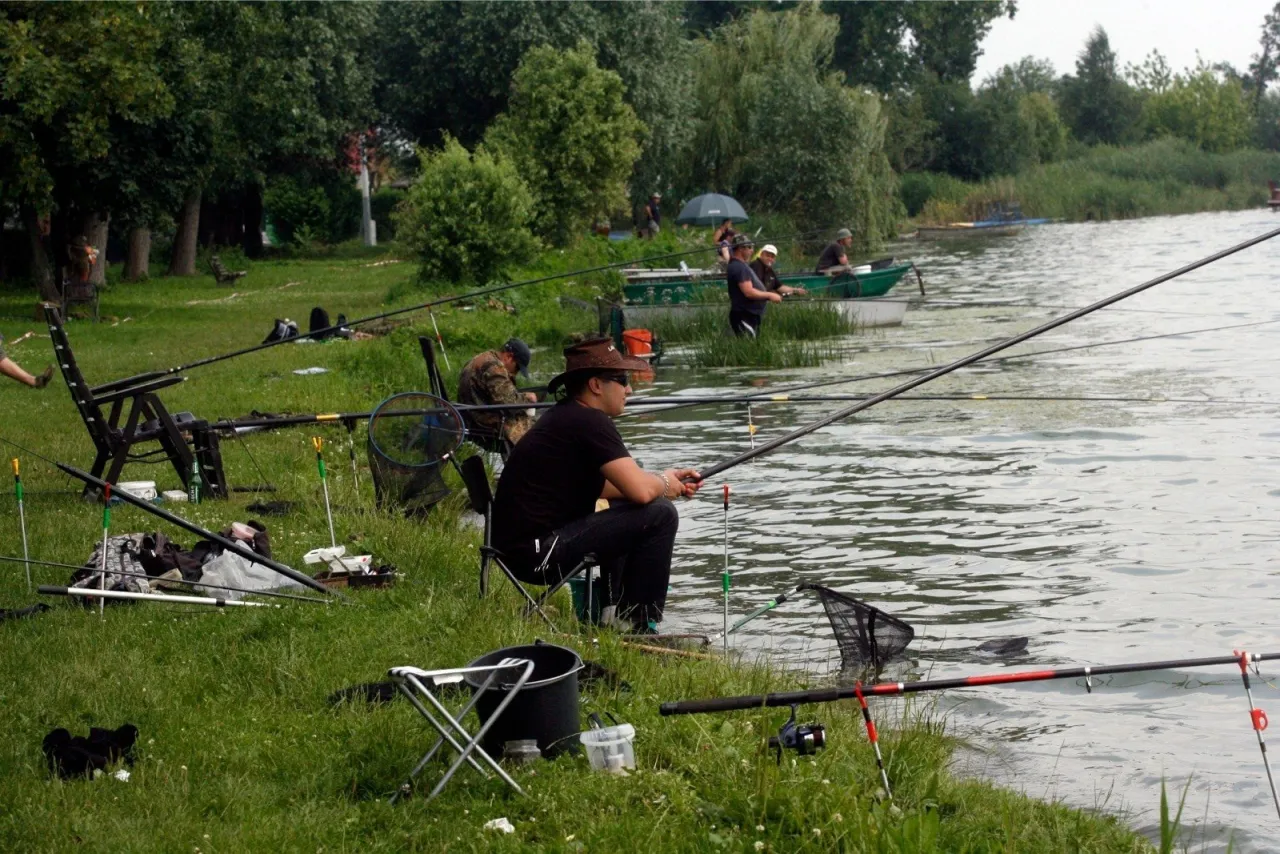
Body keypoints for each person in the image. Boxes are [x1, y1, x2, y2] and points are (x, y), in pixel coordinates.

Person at [490, 337, 701, 632]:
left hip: (519, 551)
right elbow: (642, 491)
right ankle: (638, 626)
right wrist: (662, 484)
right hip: (538, 554)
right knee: (661, 513)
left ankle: (612, 614)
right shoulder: (590, 421)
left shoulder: (566, 417)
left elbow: (617, 488)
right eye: (621, 379)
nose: (628, 389)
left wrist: (664, 478)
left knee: (632, 504)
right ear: (596, 385)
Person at [457, 338, 537, 446]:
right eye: (517, 367)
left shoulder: (483, 357)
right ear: (509, 357)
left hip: (471, 414)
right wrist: (527, 398)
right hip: (481, 421)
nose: (516, 373)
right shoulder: (495, 368)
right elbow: (509, 403)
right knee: (536, 433)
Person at [726, 234, 782, 337]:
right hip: (744, 315)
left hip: (750, 315)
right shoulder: (738, 267)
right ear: (741, 248)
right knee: (746, 348)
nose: (752, 251)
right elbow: (748, 292)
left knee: (752, 348)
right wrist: (769, 295)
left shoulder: (741, 265)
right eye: (750, 247)